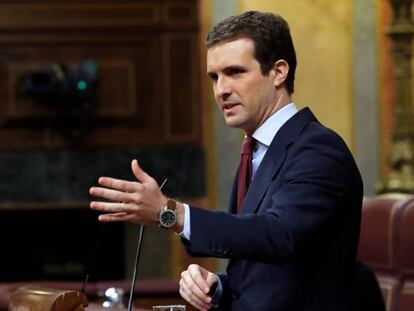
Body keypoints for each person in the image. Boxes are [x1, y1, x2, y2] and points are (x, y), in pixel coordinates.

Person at [90, 11, 363, 310]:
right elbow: (264, 272)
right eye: (214, 77)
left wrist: (171, 214)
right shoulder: (256, 151)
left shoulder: (319, 149)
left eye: (235, 72)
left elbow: (279, 236)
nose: (221, 90)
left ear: (278, 72)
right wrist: (219, 286)